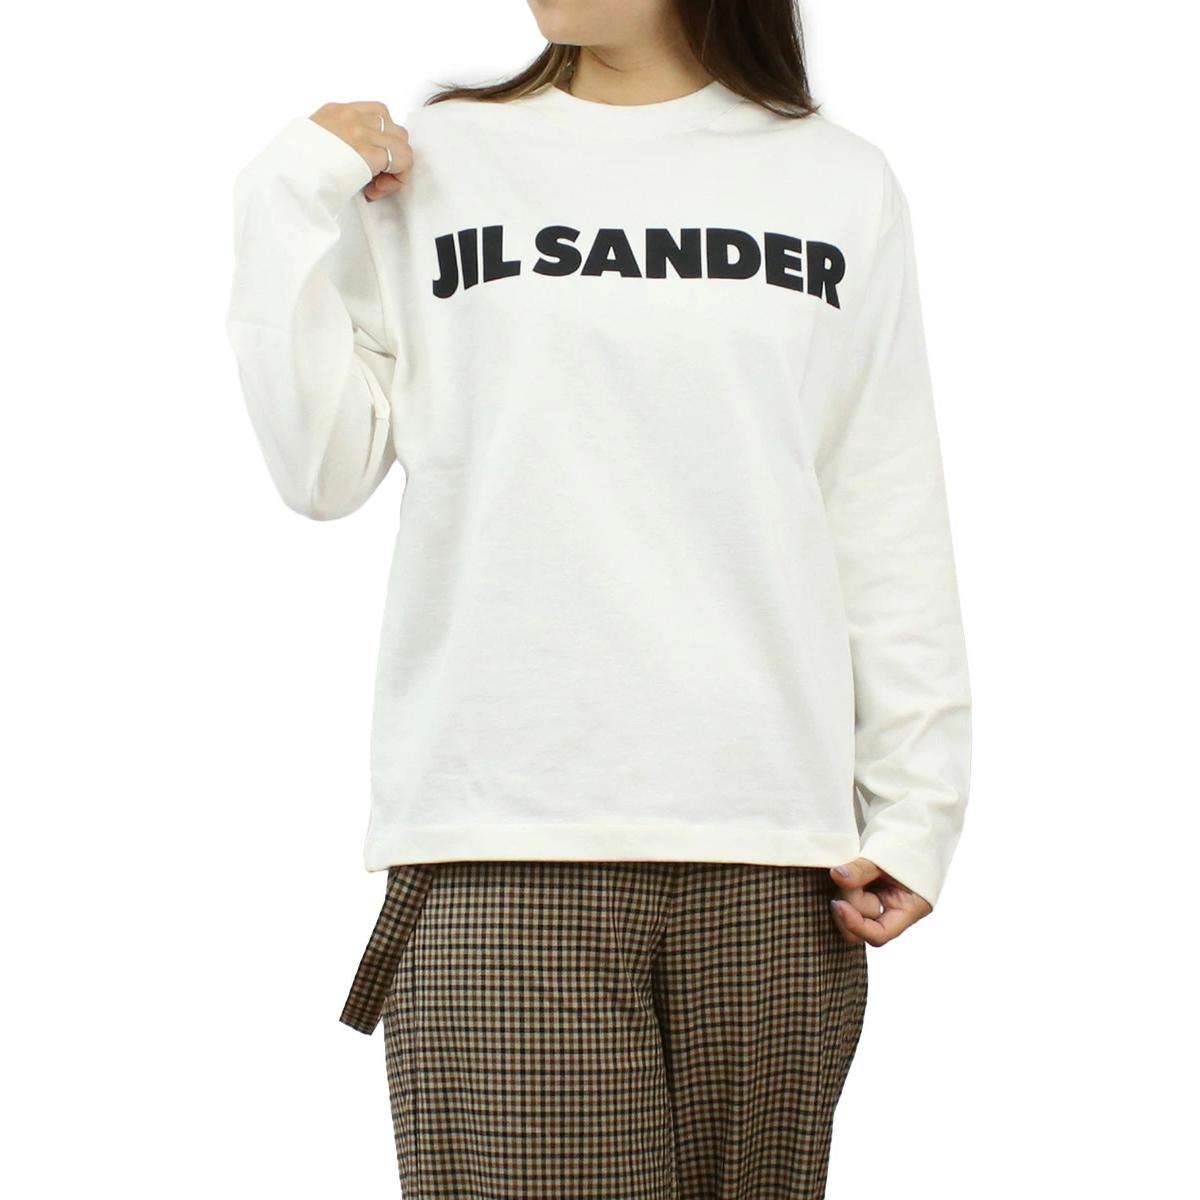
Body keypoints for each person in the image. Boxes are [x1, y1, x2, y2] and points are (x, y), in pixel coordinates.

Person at [224, 1, 972, 1195]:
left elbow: (880, 502)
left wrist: (918, 803)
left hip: (778, 855)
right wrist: (286, 189)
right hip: (501, 839)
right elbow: (322, 470)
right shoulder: (435, 166)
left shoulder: (836, 181)